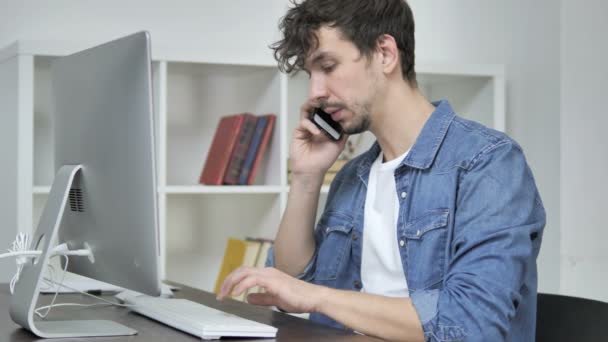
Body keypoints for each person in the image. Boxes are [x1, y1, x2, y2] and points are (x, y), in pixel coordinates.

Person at [217, 0, 546, 341]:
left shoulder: (488, 163)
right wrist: (305, 176)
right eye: (309, 74)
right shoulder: (353, 176)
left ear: (385, 54)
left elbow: (470, 324)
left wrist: (317, 298)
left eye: (327, 66)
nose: (315, 92)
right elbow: (292, 285)